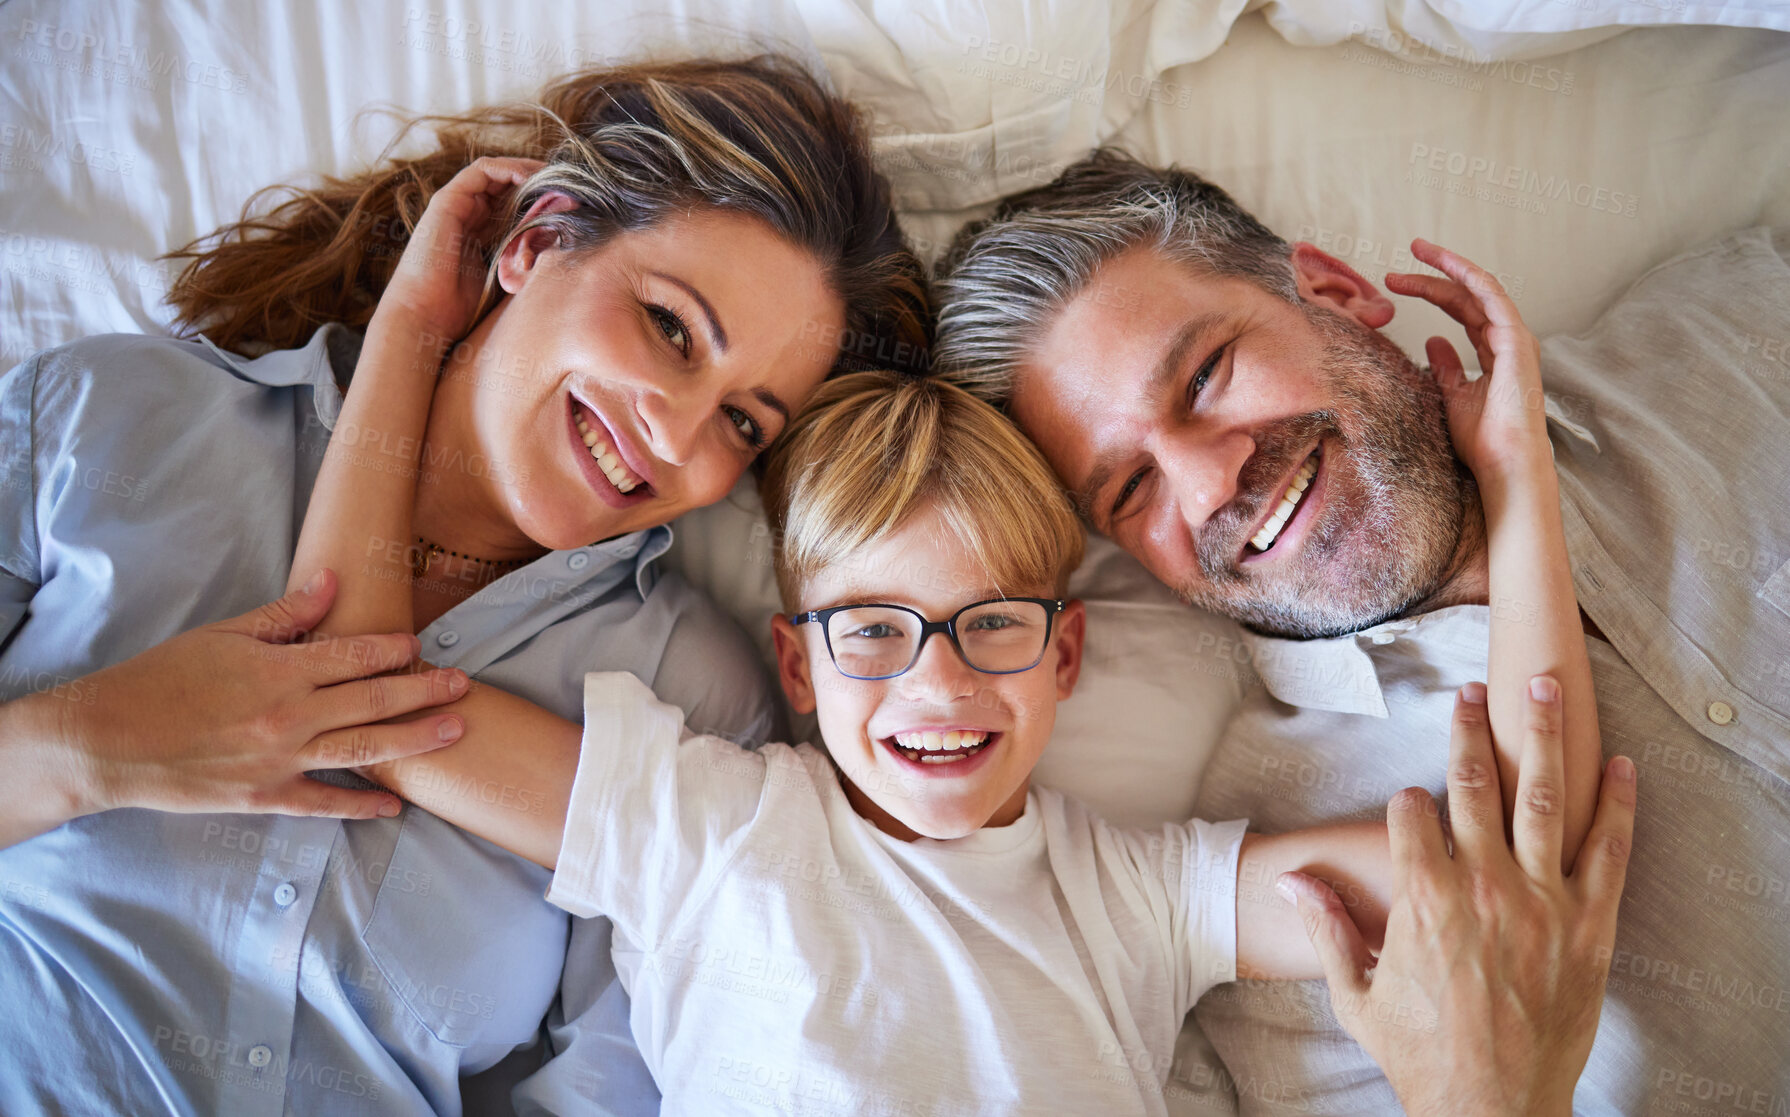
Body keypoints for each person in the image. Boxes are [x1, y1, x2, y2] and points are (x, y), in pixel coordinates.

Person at [290, 235, 1631, 1112]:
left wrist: (1515, 484)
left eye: (990, 625)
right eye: (870, 631)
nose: (936, 689)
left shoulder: (1138, 898)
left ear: (1065, 652)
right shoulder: (702, 830)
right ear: (795, 664)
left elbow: (1509, 851)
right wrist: (411, 330)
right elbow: (362, 694)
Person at [0, 57, 927, 1114]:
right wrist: (82, 747)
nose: (674, 433)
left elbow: (621, 1081)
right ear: (532, 244)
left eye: (741, 422)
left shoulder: (691, 703)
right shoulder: (109, 423)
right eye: (669, 328)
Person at [932, 149, 1789, 1114]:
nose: (1210, 484)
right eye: (1132, 488)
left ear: (1333, 290)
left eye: (1205, 376)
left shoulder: (1728, 331)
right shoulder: (1302, 913)